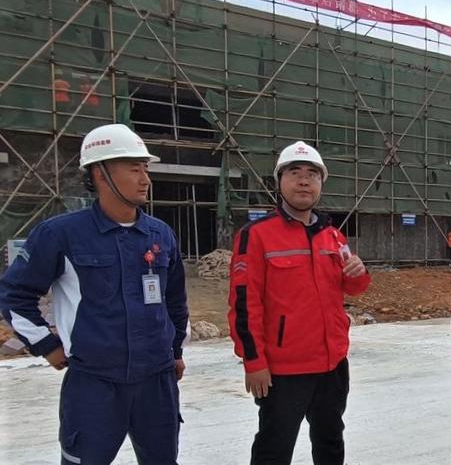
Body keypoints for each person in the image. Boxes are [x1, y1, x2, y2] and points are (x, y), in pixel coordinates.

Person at [0, 123, 188, 464]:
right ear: (101, 173)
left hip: (156, 381)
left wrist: (175, 351)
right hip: (94, 385)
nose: (146, 179)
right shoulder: (61, 234)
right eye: (135, 169)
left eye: (146, 169)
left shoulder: (160, 234)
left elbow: (175, 301)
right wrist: (46, 344)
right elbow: (13, 294)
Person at [228, 140, 370, 465]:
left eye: (312, 174)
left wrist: (359, 273)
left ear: (321, 183)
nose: (304, 181)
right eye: (295, 172)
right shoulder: (257, 235)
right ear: (279, 180)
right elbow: (244, 303)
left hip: (332, 365)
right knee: (274, 449)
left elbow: (352, 288)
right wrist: (254, 362)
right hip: (284, 370)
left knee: (330, 442)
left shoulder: (332, 235)